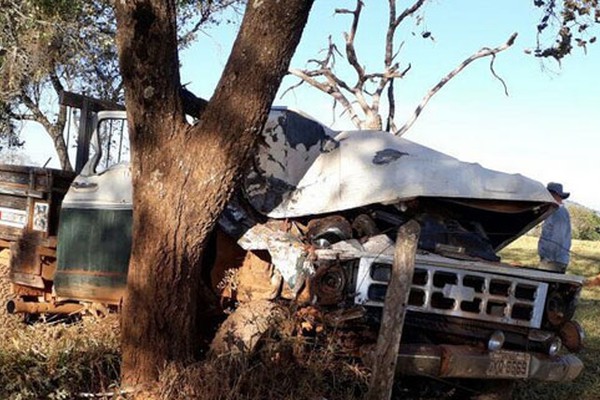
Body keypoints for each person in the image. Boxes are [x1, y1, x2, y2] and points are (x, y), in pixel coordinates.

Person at [538, 182, 572, 273]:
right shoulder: (555, 211)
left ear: (554, 195)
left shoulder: (558, 213)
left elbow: (558, 239)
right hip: (553, 260)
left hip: (553, 261)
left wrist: (548, 258)